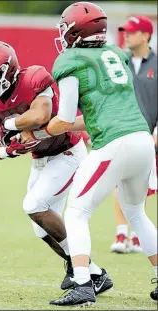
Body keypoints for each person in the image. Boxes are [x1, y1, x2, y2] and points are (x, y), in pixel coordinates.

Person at [19, 2, 157, 305]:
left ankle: (83, 283)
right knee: (137, 212)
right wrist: (48, 128)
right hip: (141, 139)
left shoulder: (71, 59)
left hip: (114, 144)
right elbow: (90, 117)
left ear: (76, 32)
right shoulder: (117, 55)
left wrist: (33, 131)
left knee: (77, 212)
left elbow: (66, 120)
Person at [0, 40, 113, 295]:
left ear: (8, 71)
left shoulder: (32, 79)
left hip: (67, 152)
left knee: (34, 205)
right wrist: (8, 150)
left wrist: (11, 125)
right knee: (40, 227)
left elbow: (41, 116)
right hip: (41, 158)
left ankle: (83, 272)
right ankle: (92, 272)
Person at [110, 15, 157, 254]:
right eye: (125, 31)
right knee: (119, 181)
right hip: (121, 133)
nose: (126, 35)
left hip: (151, 136)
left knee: (144, 186)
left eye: (131, 31)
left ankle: (139, 235)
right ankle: (121, 232)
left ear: (146, 35)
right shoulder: (118, 61)